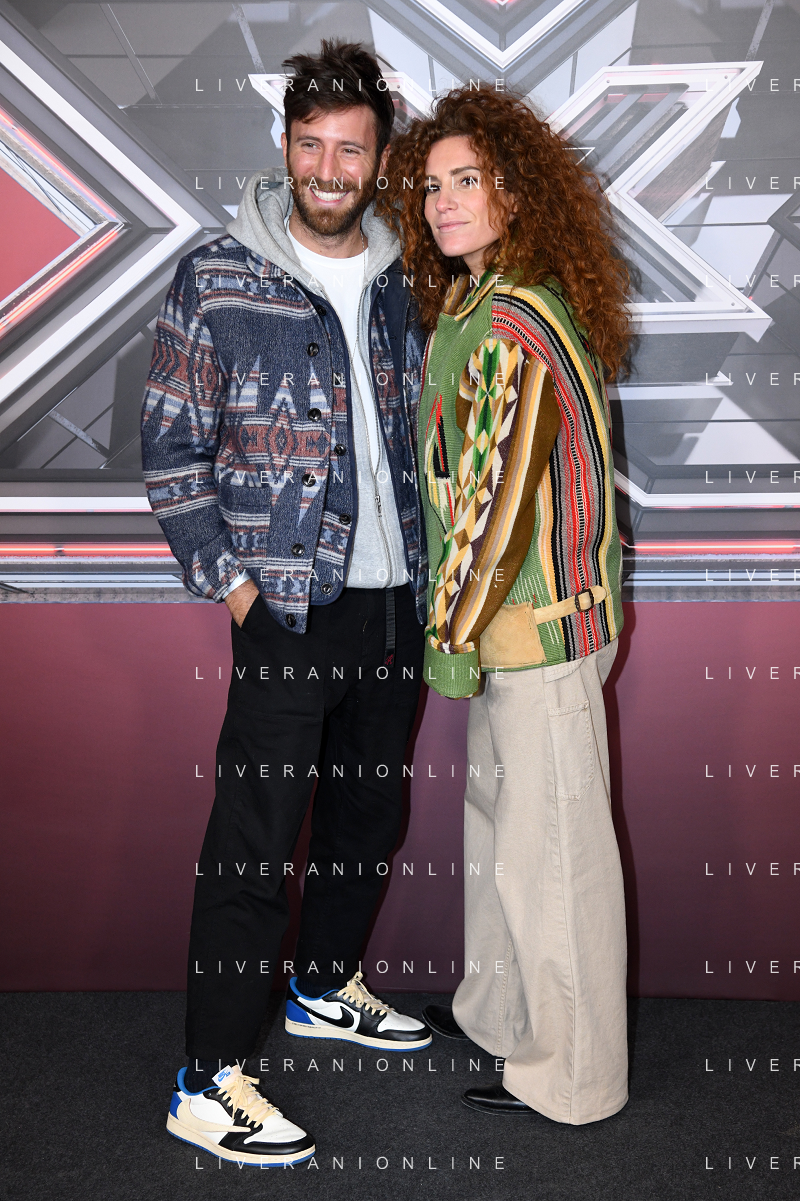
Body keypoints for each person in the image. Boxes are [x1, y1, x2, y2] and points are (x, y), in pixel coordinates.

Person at [141, 40, 431, 1168]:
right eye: (310, 144)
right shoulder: (217, 274)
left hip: (395, 603)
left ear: (378, 159)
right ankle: (205, 1079)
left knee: (366, 817)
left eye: (349, 149)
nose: (327, 168)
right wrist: (236, 584)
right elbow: (170, 447)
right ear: (284, 145)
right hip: (288, 609)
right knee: (254, 845)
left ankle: (322, 986)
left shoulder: (409, 276)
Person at [380, 85, 631, 1125]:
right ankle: (501, 1014)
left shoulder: (515, 317)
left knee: (554, 857)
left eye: (466, 181)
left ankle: (574, 1078)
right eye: (431, 185)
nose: (441, 201)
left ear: (515, 194)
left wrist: (449, 637)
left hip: (533, 624)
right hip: (503, 630)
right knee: (501, 833)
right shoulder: (474, 302)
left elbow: (497, 504)